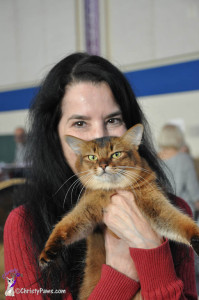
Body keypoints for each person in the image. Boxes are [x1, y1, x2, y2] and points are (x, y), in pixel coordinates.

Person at [4, 53, 197, 299]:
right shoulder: (24, 225)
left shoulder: (179, 210)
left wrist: (152, 250)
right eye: (80, 124)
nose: (99, 138)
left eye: (113, 119)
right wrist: (121, 272)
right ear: (56, 135)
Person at [158, 124, 199, 216]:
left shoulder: (154, 160)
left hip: (163, 213)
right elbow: (194, 192)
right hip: (184, 211)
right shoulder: (184, 159)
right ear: (179, 138)